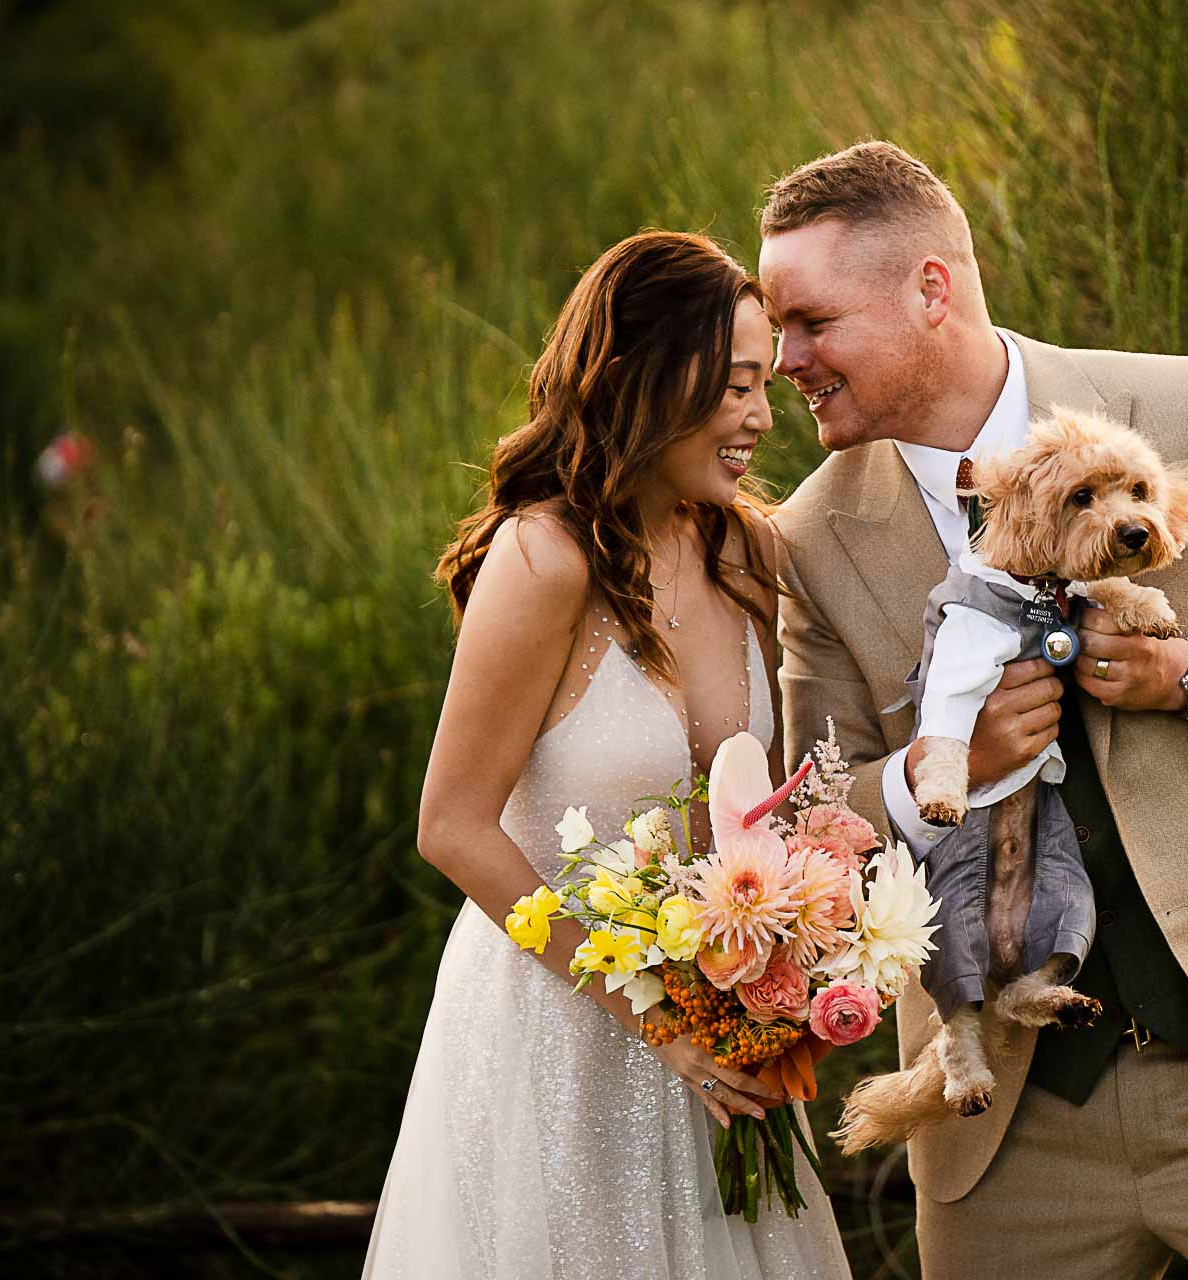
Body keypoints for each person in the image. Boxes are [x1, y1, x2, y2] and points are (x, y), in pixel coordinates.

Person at [763, 141, 1188, 1278]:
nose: (787, 360)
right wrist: (944, 764)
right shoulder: (810, 539)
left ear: (931, 290)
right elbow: (808, 818)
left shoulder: (1180, 404)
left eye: (812, 322)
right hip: (1007, 1128)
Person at [364, 231, 850, 1279]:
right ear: (647, 377)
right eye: (736, 386)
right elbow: (451, 826)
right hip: (558, 1045)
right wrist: (659, 1022)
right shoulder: (543, 560)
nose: (763, 417)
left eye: (764, 386)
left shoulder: (747, 552)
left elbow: (768, 804)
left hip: (723, 1046)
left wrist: (797, 949)